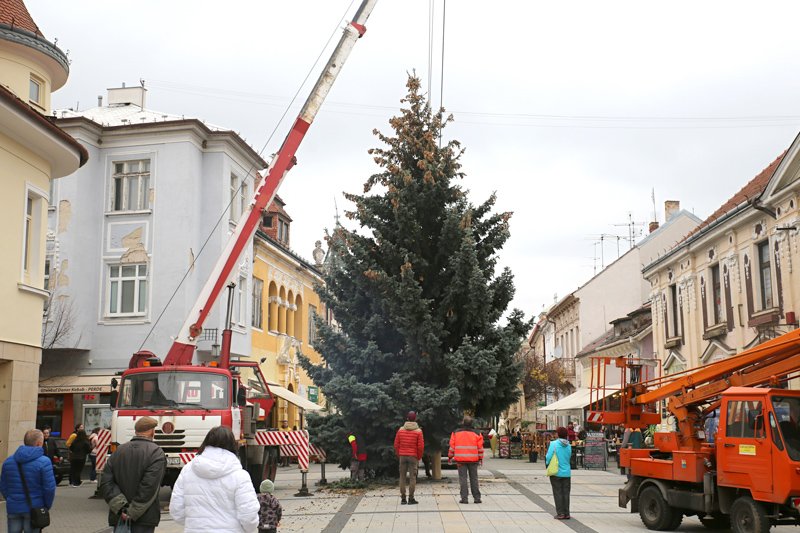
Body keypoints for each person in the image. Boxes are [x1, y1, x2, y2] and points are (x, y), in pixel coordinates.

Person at [169, 426, 259, 532]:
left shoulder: (187, 470)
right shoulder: (239, 475)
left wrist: (195, 523)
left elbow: (176, 509)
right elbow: (248, 514)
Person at [100, 416, 166, 533]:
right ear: (152, 431)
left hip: (119, 516)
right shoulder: (156, 452)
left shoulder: (118, 451)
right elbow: (149, 486)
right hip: (144, 517)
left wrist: (121, 508)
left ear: (136, 431)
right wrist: (132, 511)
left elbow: (106, 482)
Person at [0, 429, 56, 533]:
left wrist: (11, 498)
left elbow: (3, 486)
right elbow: (49, 488)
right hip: (35, 507)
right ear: (39, 443)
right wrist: (46, 506)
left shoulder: (8, 462)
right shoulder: (44, 462)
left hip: (14, 507)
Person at [448, 416, 484, 504]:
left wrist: (450, 457)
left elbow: (452, 447)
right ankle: (477, 498)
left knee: (463, 479)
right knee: (474, 478)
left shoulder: (456, 433)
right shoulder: (477, 433)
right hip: (473, 460)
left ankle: (464, 498)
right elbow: (480, 448)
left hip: (460, 460)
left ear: (462, 423)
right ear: (472, 423)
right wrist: (480, 458)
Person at [394, 411, 424, 505]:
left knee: (402, 477)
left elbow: (396, 444)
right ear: (415, 419)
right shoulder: (418, 431)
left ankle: (403, 498)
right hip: (413, 456)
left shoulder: (400, 430)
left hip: (402, 456)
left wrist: (399, 454)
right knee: (412, 477)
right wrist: (418, 457)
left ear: (407, 418)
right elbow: (420, 447)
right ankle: (411, 498)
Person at [546, 426, 572, 520]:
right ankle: (567, 513)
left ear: (558, 434)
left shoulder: (553, 444)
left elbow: (548, 457)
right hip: (567, 473)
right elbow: (569, 457)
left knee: (558, 492)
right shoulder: (569, 445)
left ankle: (560, 513)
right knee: (566, 493)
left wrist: (547, 464)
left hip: (556, 472)